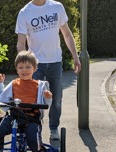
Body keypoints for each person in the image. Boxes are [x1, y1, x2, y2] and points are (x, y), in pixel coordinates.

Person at [15, 0, 81, 140]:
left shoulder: (57, 7)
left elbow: (67, 34)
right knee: (34, 99)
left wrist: (75, 56)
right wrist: (24, 64)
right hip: (36, 65)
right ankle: (34, 129)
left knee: (56, 99)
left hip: (55, 62)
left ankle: (53, 128)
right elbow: (21, 44)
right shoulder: (25, 12)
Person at [0, 50, 52, 152]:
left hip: (31, 117)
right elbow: (2, 98)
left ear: (35, 69)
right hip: (15, 115)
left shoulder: (40, 85)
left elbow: (46, 105)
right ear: (17, 69)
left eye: (28, 67)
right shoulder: (14, 83)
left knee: (33, 138)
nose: (24, 70)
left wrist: (47, 97)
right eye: (21, 67)